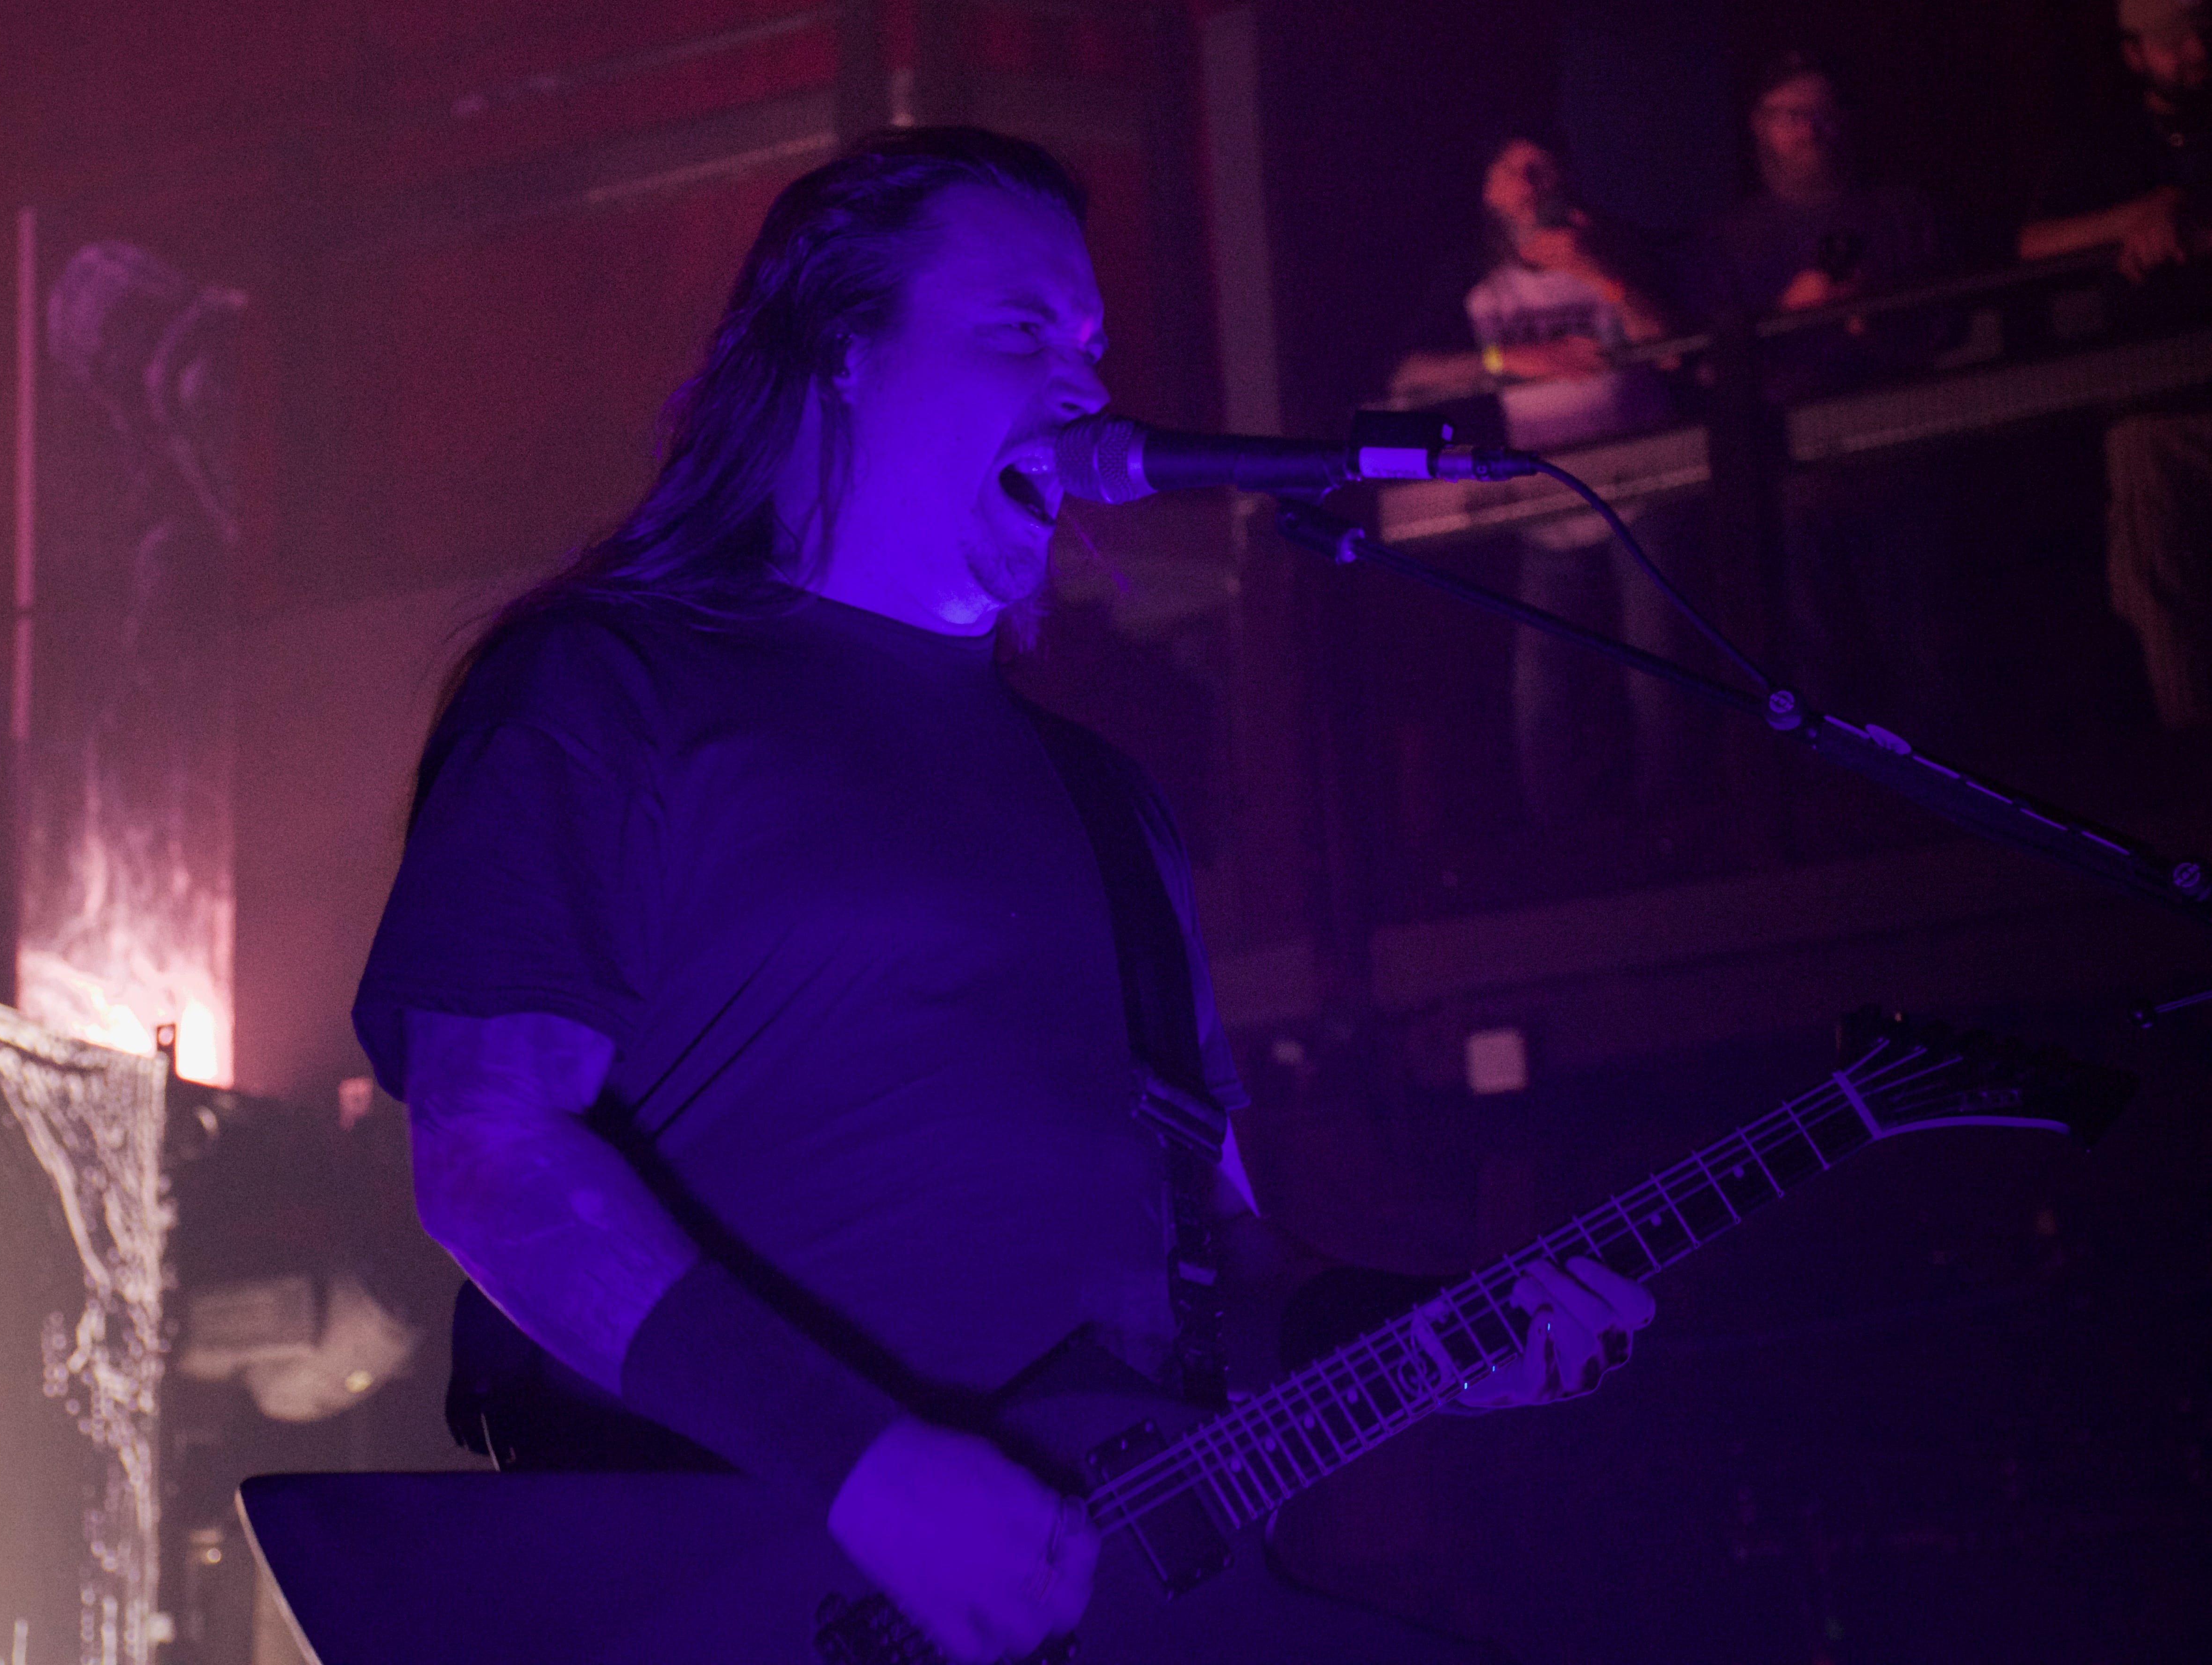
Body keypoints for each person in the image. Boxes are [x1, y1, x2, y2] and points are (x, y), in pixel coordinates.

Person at [354, 128, 1654, 1663]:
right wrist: (862, 1468)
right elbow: (491, 1153)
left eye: (1092, 346)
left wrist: (1420, 1337)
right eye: (1022, 332)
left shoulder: (1108, 802)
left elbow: (1218, 1261)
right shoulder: (606, 687)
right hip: (735, 1596)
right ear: (840, 351)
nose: (1085, 389)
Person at [1391, 135, 1709, 825]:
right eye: (1513, 171)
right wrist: (1511, 360)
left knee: (1658, 671)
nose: (1531, 183)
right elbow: (1408, 379)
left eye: (1542, 168)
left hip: (1639, 491)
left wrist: (1596, 270)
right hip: (1543, 502)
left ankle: (1674, 829)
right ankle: (1558, 840)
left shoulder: (1612, 251)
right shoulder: (1474, 279)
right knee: (1542, 688)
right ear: (1489, 192)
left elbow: (1678, 353)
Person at [1701, 53, 1957, 732]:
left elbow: (1953, 325)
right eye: (1792, 115)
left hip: (1902, 461)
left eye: (1822, 113)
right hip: (1793, 484)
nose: (1809, 129)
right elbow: (1706, 370)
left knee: (1924, 657)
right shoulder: (1730, 239)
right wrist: (1790, 313)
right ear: (1760, 125)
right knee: (1818, 666)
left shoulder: (1900, 212)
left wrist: (1877, 316)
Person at [2020, 0, 2212, 731]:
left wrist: (2188, 225)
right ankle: (2194, 760)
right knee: (2154, 571)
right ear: (2134, 54)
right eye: (2173, 40)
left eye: (2203, 30)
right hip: (2155, 406)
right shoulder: (2107, 144)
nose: (2196, 50)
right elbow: (2034, 243)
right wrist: (2135, 217)